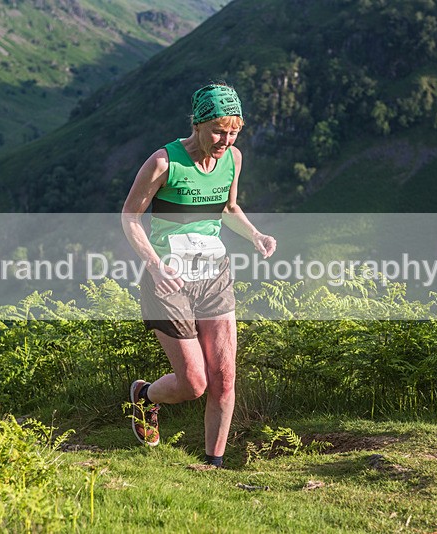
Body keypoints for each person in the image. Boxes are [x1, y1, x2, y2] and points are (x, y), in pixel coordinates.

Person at [121, 83, 276, 468]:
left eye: (234, 132)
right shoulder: (163, 162)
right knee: (194, 383)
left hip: (215, 275)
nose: (226, 140)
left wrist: (255, 234)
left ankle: (213, 465)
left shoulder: (233, 159)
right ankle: (143, 397)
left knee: (224, 378)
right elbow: (130, 218)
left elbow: (229, 207)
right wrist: (155, 268)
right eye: (219, 131)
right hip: (168, 280)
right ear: (198, 124)